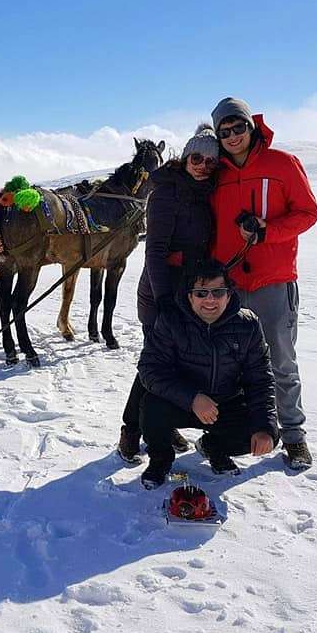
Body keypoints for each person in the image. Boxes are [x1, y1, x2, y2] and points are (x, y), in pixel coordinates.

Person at [209, 97, 317, 470]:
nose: (233, 136)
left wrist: (268, 232)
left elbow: (308, 212)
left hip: (273, 281)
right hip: (229, 285)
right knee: (229, 364)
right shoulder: (216, 174)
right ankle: (237, 431)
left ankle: (293, 436)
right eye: (224, 132)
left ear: (251, 126)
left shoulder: (283, 164)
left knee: (280, 361)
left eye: (238, 127)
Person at [117, 124, 219, 466]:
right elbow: (155, 251)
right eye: (196, 158)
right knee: (156, 363)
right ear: (184, 157)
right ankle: (131, 431)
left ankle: (159, 423)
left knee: (176, 364)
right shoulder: (166, 191)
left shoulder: (203, 191)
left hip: (190, 292)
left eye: (210, 161)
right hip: (161, 290)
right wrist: (163, 300)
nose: (203, 165)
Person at [136, 258, 278, 488]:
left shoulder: (247, 325)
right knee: (151, 408)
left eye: (218, 292)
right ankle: (160, 461)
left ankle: (215, 447)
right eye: (201, 293)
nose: (210, 300)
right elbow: (150, 370)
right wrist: (191, 398)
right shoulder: (171, 321)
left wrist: (265, 427)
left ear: (229, 294)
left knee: (264, 432)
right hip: (182, 402)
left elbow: (260, 380)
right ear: (189, 296)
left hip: (226, 404)